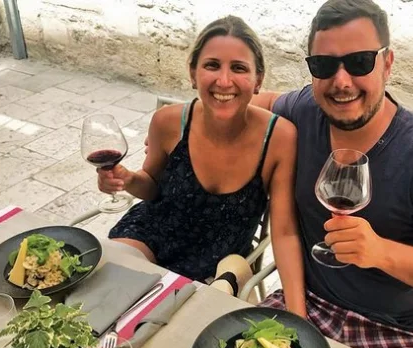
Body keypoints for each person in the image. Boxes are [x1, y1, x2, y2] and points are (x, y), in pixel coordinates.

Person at [252, 0, 413, 348]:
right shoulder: (305, 110)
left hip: (403, 330)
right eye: (324, 65)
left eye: (359, 62)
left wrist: (379, 252)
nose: (341, 81)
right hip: (309, 301)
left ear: (387, 64)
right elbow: (251, 102)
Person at [98, 16, 307, 318]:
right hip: (150, 235)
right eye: (212, 65)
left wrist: (298, 315)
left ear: (258, 79)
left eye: (239, 68)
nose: (224, 81)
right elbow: (152, 187)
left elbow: (285, 233)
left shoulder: (279, 137)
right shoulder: (168, 122)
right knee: (106, 303)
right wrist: (128, 179)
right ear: (193, 73)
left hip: (218, 264)